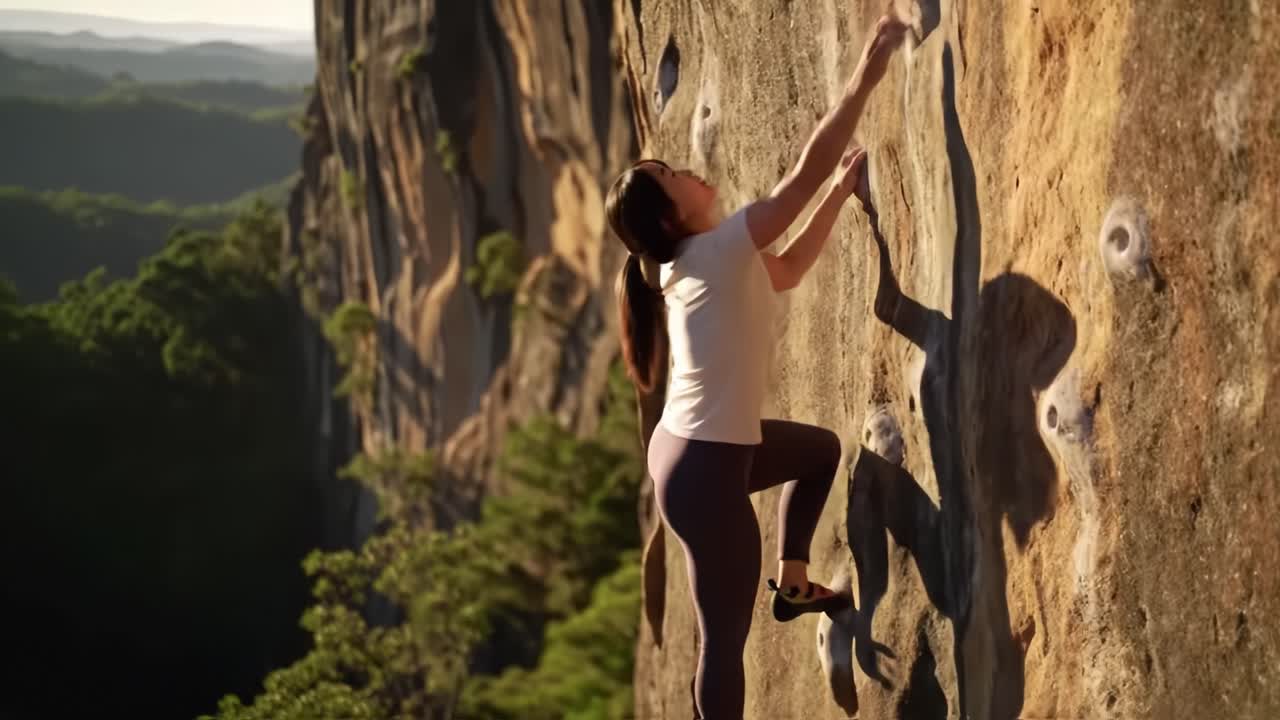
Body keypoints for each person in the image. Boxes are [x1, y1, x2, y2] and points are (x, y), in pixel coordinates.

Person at [605, 11, 908, 720]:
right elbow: (796, 182)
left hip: (695, 454)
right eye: (672, 174)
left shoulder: (702, 263)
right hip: (704, 474)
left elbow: (794, 266)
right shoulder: (708, 255)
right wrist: (867, 74)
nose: (687, 168)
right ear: (673, 216)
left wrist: (843, 190)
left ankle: (794, 581)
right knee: (722, 643)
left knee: (821, 452)